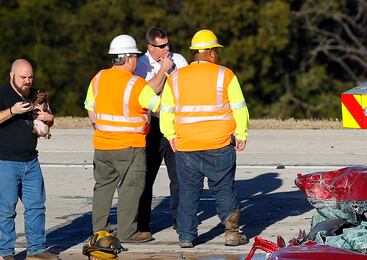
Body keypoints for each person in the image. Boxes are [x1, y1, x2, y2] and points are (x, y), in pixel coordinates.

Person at [160, 29, 250, 248]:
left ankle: (186, 237)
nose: (217, 55)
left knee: (188, 192)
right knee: (223, 188)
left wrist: (170, 135)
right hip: (218, 144)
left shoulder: (176, 77)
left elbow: (166, 110)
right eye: (216, 51)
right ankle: (231, 233)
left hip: (187, 145)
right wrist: (241, 134)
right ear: (210, 53)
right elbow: (239, 108)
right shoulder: (225, 75)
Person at [0, 59, 60, 260]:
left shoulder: (37, 94)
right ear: (12, 76)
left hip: (30, 160)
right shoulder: (0, 95)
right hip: (5, 161)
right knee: (6, 209)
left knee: (36, 206)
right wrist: (12, 111)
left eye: (30, 77)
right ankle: (6, 251)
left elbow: (49, 122)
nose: (27, 81)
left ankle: (36, 249)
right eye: (23, 77)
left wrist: (48, 117)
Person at [85, 35, 161, 243]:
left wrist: (102, 129)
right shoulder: (137, 84)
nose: (137, 61)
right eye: (135, 57)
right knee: (130, 188)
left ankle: (99, 231)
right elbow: (159, 106)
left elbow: (90, 108)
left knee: (102, 188)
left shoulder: (98, 78)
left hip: (102, 144)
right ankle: (128, 232)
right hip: (131, 146)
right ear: (128, 59)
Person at [134, 27, 188, 233]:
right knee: (146, 176)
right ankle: (142, 223)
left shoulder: (179, 60)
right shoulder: (141, 64)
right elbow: (145, 93)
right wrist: (163, 71)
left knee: (179, 177)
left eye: (168, 44)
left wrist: (171, 70)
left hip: (174, 124)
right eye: (161, 46)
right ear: (150, 47)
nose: (167, 49)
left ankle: (179, 219)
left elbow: (185, 89)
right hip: (152, 125)